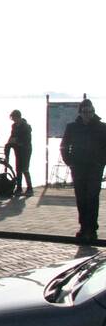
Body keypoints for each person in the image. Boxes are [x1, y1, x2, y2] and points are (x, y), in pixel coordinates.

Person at [60, 99, 106, 243]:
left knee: (92, 197)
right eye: (85, 112)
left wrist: (102, 162)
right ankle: (83, 227)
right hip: (78, 167)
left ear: (94, 111)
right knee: (81, 198)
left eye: (91, 111)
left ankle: (92, 228)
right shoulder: (72, 127)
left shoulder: (102, 127)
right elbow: (64, 146)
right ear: (80, 112)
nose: (88, 115)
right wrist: (70, 162)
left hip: (95, 167)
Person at [4, 109, 34, 197]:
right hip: (17, 149)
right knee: (18, 169)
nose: (14, 120)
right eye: (12, 119)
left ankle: (29, 188)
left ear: (18, 117)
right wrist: (10, 142)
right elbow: (12, 136)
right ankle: (19, 188)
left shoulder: (26, 126)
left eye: (14, 118)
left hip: (26, 149)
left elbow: (27, 140)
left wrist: (17, 140)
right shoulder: (14, 126)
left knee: (25, 168)